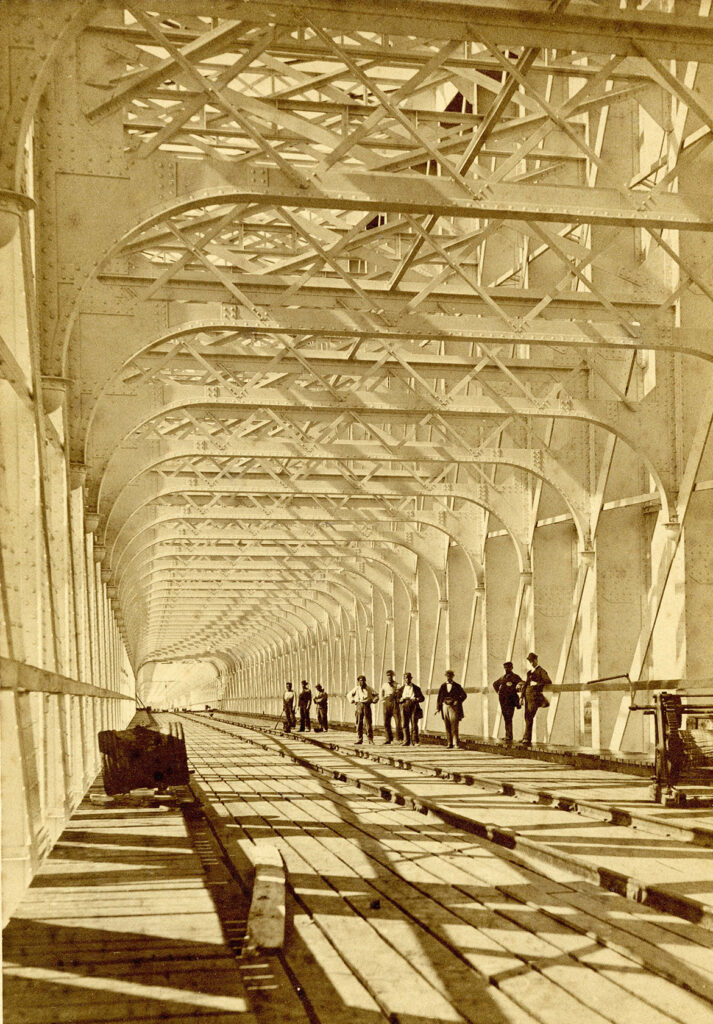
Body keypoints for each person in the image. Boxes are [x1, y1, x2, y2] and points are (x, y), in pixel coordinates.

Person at [519, 652, 551, 747]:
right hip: (527, 697)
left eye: (533, 661)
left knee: (529, 717)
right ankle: (526, 737)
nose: (531, 663)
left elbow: (548, 681)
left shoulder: (541, 671)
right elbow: (525, 685)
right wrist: (521, 697)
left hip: (535, 697)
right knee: (526, 717)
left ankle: (527, 738)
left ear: (536, 660)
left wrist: (536, 684)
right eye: (530, 661)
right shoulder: (529, 673)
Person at [436, 670, 467, 749]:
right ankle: (449, 743)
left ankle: (456, 743)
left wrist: (458, 701)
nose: (448, 677)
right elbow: (439, 698)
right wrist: (438, 708)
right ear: (445, 676)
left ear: (453, 676)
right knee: (447, 725)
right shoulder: (443, 686)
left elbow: (464, 695)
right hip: (445, 707)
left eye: (450, 676)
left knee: (454, 725)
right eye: (447, 676)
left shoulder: (457, 686)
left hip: (454, 707)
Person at [493, 661, 522, 744]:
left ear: (512, 667)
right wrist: (499, 692)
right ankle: (508, 735)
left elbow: (522, 683)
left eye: (508, 667)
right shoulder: (503, 678)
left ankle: (509, 736)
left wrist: (516, 690)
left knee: (509, 717)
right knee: (506, 717)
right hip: (503, 700)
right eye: (505, 667)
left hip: (511, 701)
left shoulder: (515, 677)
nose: (506, 669)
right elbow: (495, 684)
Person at [348, 675, 378, 744]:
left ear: (365, 681)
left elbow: (376, 695)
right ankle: (359, 739)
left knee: (368, 723)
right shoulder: (356, 688)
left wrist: (373, 700)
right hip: (359, 706)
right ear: (358, 681)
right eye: (360, 681)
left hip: (367, 706)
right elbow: (349, 695)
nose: (361, 682)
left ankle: (370, 739)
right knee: (359, 723)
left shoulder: (369, 688)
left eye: (363, 680)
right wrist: (352, 700)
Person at [399, 672, 425, 746]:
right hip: (404, 705)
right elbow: (396, 698)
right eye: (406, 678)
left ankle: (415, 741)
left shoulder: (416, 688)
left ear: (411, 678)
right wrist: (400, 700)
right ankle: (406, 741)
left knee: (414, 724)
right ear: (404, 679)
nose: (407, 679)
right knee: (404, 724)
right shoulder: (401, 689)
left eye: (408, 678)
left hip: (414, 706)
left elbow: (422, 698)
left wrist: (416, 699)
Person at [380, 669, 403, 744]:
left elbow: (401, 693)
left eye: (390, 675)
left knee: (398, 722)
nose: (389, 677)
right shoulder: (384, 685)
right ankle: (388, 739)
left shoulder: (397, 685)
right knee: (386, 722)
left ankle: (399, 738)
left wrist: (398, 699)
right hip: (387, 703)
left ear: (393, 676)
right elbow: (381, 693)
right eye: (388, 675)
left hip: (394, 704)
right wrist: (383, 700)